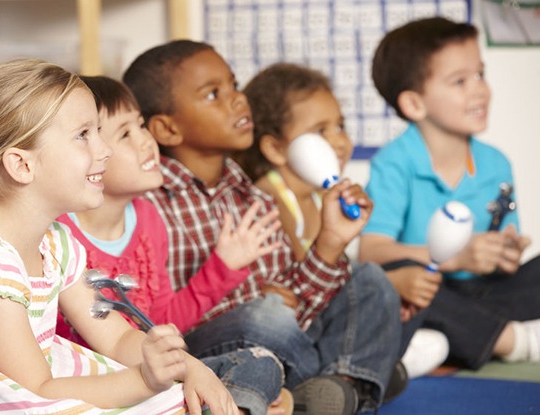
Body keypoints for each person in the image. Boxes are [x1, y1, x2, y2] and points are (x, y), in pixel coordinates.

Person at [0, 58, 239, 415]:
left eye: (98, 132)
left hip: (33, 387)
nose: (105, 150)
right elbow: (33, 391)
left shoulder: (55, 244)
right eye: (84, 135)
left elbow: (115, 337)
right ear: (22, 165)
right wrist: (145, 380)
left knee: (180, 398)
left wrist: (189, 366)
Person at [123, 40, 406, 415]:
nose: (238, 100)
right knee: (266, 316)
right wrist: (258, 302)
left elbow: (296, 306)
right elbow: (158, 322)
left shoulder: (250, 196)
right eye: (213, 94)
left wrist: (330, 243)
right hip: (211, 353)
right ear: (167, 129)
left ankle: (331, 391)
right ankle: (351, 378)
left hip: (281, 341)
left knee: (369, 280)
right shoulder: (148, 204)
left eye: (235, 85)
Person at [55, 75, 291, 415]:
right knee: (265, 327)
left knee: (259, 361)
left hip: (150, 366)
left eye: (140, 125)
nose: (146, 140)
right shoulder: (61, 234)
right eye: (125, 134)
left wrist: (222, 268)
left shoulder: (148, 218)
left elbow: (161, 320)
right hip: (103, 384)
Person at [234, 61, 450, 379]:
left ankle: (373, 366)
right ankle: (369, 370)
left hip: (324, 319)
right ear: (276, 149)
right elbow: (304, 288)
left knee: (407, 281)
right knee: (377, 280)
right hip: (294, 330)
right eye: (321, 131)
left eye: (340, 126)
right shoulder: (270, 198)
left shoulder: (321, 196)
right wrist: (388, 285)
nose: (338, 141)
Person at [359, 16, 540, 370]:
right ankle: (511, 341)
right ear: (414, 104)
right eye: (459, 81)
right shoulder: (395, 163)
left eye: (480, 74)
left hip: (483, 294)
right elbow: (371, 251)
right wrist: (455, 259)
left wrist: (506, 253)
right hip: (429, 293)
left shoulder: (495, 163)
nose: (479, 90)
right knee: (391, 277)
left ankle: (451, 339)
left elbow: (506, 242)